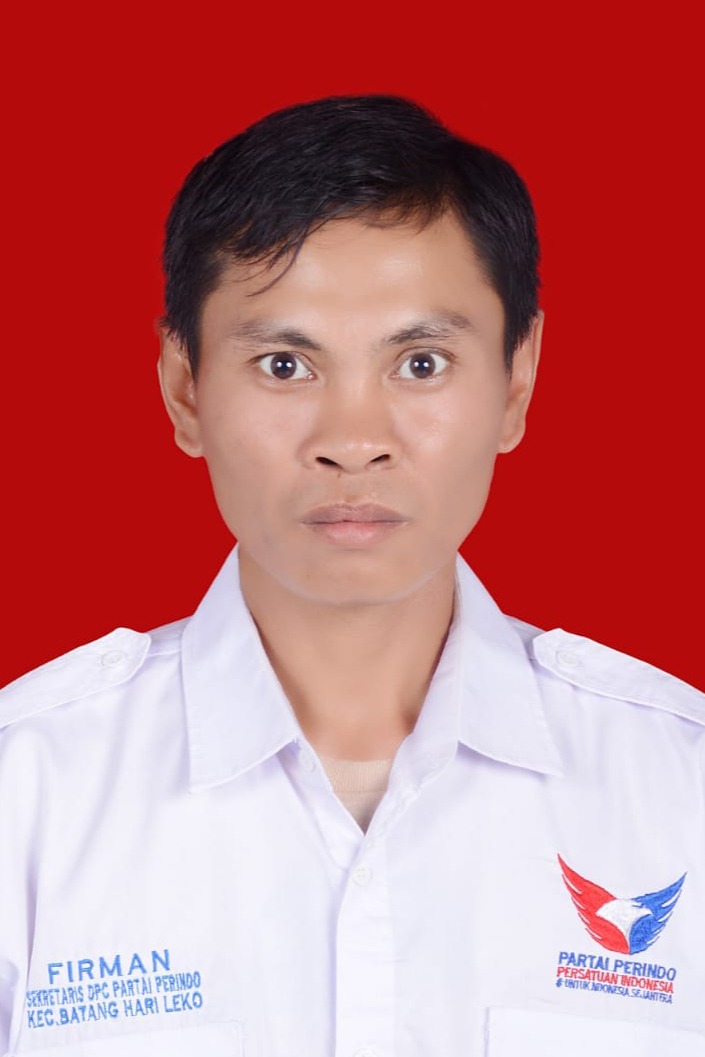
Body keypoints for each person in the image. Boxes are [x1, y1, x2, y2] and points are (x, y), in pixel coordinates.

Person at [1, 95, 703, 1057]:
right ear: (184, 388)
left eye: (421, 362)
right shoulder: (28, 792)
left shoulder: (677, 787)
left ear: (517, 380)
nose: (354, 440)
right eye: (284, 365)